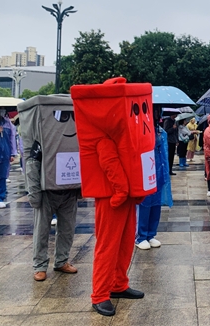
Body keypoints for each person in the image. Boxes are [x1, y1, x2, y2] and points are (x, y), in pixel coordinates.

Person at [71, 78, 154, 317]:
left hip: (126, 196)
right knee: (108, 246)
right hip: (111, 198)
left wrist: (136, 191)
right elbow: (109, 164)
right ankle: (100, 294)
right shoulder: (102, 134)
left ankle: (118, 283)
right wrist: (122, 191)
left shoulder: (124, 133)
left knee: (126, 241)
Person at [19, 95, 81, 282]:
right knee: (41, 231)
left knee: (67, 229)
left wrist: (82, 188)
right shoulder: (42, 140)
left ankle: (62, 260)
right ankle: (40, 265)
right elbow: (32, 164)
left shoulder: (78, 138)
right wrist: (34, 192)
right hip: (47, 192)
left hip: (69, 190)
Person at [136, 106, 173, 250]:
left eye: (159, 111)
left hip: (159, 172)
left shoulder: (160, 131)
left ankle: (151, 234)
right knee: (145, 204)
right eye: (155, 111)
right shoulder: (141, 130)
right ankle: (141, 236)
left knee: (156, 204)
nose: (158, 114)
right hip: (146, 173)